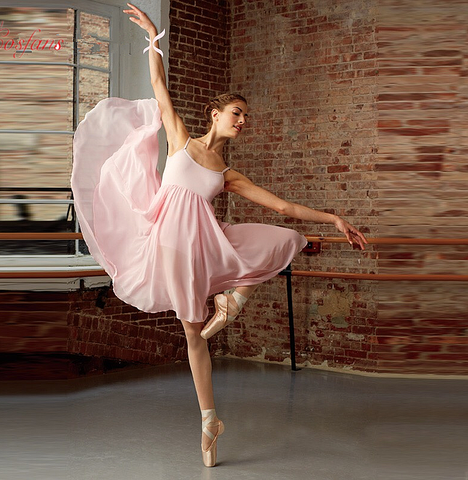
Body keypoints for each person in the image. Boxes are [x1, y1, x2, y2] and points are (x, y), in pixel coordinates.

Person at [72, 3, 368, 468]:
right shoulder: (180, 141)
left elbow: (283, 206)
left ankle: (234, 299)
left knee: (283, 236)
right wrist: (153, 39)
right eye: (237, 112)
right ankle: (210, 419)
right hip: (170, 251)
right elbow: (158, 86)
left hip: (206, 247)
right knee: (194, 337)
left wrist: (332, 218)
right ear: (215, 114)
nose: (242, 121)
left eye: (245, 117)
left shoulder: (228, 173)